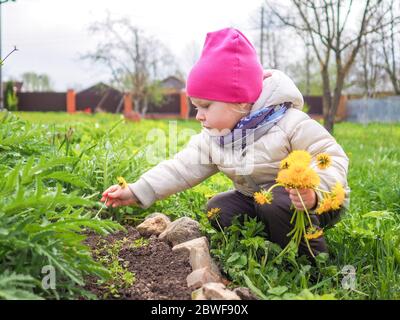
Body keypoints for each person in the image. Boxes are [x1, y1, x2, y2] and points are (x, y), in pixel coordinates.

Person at [100, 28, 350, 259]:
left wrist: (315, 194)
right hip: (259, 200)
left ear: (241, 103)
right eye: (196, 107)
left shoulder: (289, 122)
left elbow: (331, 157)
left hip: (314, 202)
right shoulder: (216, 136)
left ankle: (310, 264)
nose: (199, 115)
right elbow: (181, 167)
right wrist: (136, 190)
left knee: (275, 202)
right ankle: (265, 246)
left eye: (206, 106)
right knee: (219, 209)